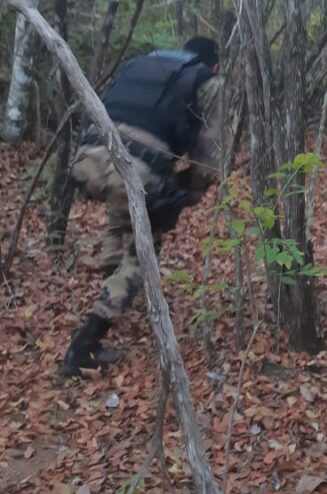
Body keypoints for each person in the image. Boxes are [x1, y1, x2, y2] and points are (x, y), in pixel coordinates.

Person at [59, 36, 222, 377]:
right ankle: (83, 347)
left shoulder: (143, 64)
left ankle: (111, 290)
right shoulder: (206, 80)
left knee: (119, 224)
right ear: (213, 64)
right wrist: (187, 190)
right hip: (137, 170)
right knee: (140, 255)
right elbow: (210, 160)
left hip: (89, 156)